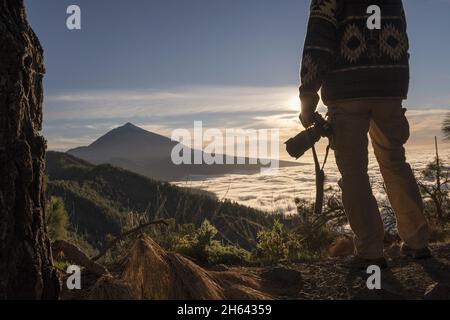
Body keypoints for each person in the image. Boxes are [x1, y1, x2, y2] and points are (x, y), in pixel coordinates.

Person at [298, 0, 430, 268]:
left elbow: (319, 37)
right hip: (389, 87)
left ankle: (370, 250)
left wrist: (308, 93)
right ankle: (418, 242)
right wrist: (397, 82)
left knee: (353, 171)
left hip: (347, 91)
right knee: (395, 163)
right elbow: (401, 34)